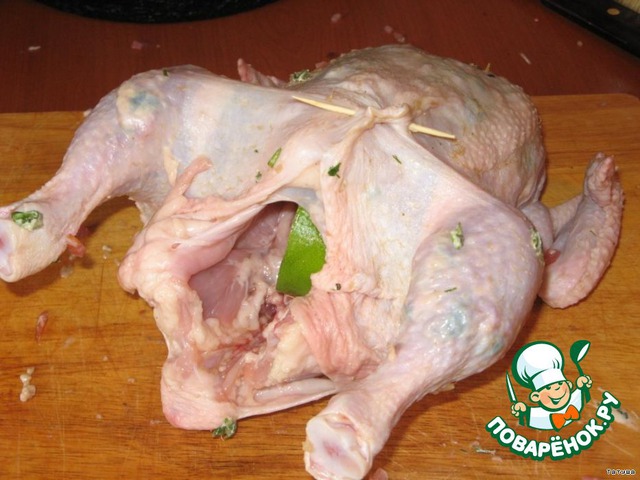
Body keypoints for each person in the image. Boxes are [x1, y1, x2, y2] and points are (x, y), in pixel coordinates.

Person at [510, 341, 592, 431]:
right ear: (536, 397)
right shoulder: (538, 416)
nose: (557, 389)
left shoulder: (576, 399)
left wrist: (582, 385)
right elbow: (526, 416)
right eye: (548, 388)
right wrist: (522, 411)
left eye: (560, 384)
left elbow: (583, 396)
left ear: (569, 385)